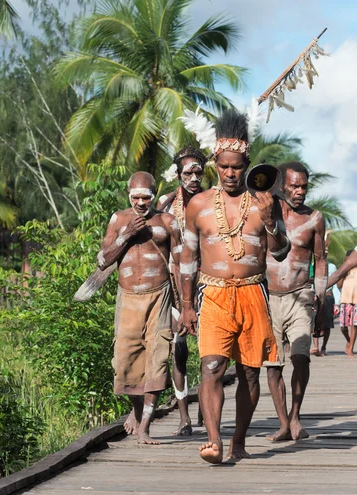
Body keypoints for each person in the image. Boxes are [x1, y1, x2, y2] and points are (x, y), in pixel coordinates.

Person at [179, 109, 290, 464]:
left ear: (248, 164)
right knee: (211, 366)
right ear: (215, 162)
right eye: (224, 166)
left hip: (253, 293)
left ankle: (238, 441)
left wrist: (271, 220)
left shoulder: (265, 204)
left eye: (237, 166)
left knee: (249, 373)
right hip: (211, 294)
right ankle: (213, 441)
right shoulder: (198, 205)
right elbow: (186, 261)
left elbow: (282, 251)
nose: (230, 173)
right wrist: (186, 305)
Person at [97, 171, 181, 444]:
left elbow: (179, 267)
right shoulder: (118, 219)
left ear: (154, 196)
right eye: (136, 197)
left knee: (158, 359)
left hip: (160, 295)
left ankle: (145, 426)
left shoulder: (168, 222)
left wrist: (186, 306)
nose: (141, 203)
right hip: (128, 297)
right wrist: (126, 235)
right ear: (128, 194)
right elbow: (103, 260)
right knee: (125, 362)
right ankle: (136, 409)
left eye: (147, 197)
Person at [265, 162, 327, 442]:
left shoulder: (314, 218)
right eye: (294, 185)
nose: (300, 191)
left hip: (301, 295)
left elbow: (321, 259)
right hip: (268, 297)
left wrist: (322, 298)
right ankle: (282, 423)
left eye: (304, 186)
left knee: (301, 357)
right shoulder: (265, 214)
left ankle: (295, 417)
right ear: (281, 185)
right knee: (273, 364)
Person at [157, 146, 208, 437]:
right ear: (178, 174)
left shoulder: (212, 202)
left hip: (206, 283)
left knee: (209, 350)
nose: (193, 177)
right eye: (187, 172)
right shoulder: (164, 205)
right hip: (175, 285)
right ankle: (184, 417)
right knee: (179, 350)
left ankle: (206, 405)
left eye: (198, 172)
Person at [337, 250, 357, 357]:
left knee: (354, 325)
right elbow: (339, 286)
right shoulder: (345, 270)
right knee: (343, 326)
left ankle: (351, 348)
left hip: (356, 301)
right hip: (345, 301)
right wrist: (343, 273)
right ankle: (348, 340)